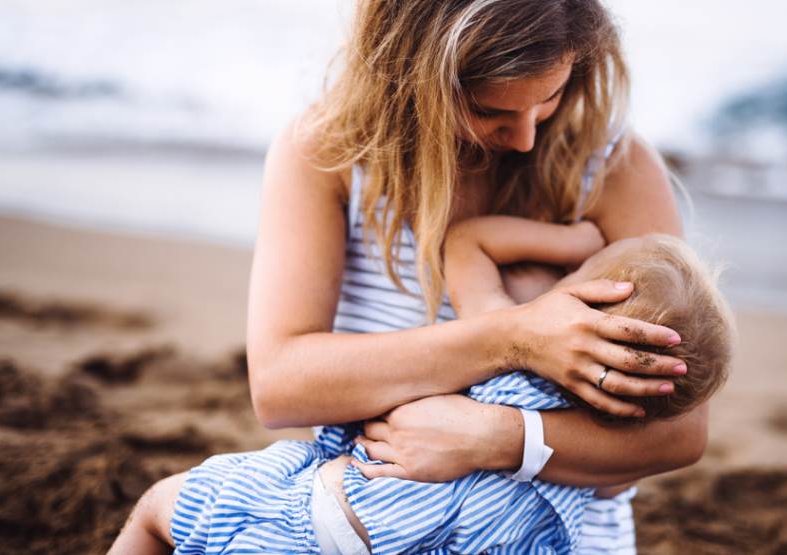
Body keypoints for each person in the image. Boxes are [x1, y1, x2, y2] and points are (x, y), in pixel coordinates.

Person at [112, 0, 712, 552]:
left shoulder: (613, 168)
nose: (527, 137)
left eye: (550, 97)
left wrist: (497, 436)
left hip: (550, 534)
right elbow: (281, 385)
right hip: (372, 513)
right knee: (166, 507)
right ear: (411, 79)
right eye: (488, 109)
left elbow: (679, 434)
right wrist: (517, 337)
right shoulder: (330, 154)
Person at [107, 219, 733, 554]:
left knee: (162, 507)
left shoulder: (513, 337)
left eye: (577, 275)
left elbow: (466, 241)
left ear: (582, 300)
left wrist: (576, 241)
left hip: (320, 525)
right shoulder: (602, 448)